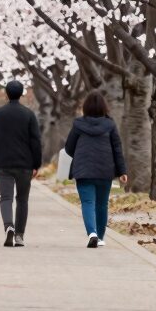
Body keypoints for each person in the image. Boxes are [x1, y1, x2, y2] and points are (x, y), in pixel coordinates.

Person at [64, 90, 127, 249]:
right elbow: (117, 149)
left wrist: (80, 155)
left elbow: (69, 147)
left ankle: (91, 233)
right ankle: (100, 237)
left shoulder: (78, 124)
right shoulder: (110, 125)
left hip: (83, 170)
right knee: (102, 204)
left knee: (87, 202)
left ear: (85, 107)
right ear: (104, 107)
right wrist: (122, 171)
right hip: (105, 170)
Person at [0, 81, 42, 247]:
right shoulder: (29, 114)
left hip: (2, 163)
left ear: (6, 93)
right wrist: (36, 164)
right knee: (22, 200)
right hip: (24, 164)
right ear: (22, 93)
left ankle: (8, 226)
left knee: (6, 197)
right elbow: (36, 141)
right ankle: (19, 236)